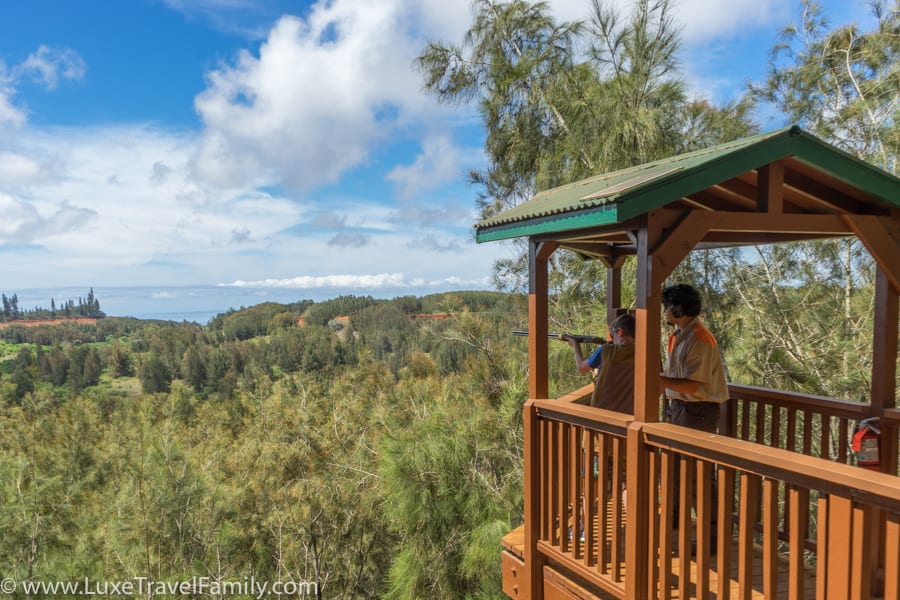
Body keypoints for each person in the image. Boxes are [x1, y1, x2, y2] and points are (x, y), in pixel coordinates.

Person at [659, 283, 728, 554]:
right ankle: (677, 528)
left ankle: (712, 539)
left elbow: (691, 386)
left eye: (667, 306)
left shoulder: (699, 337)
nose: (664, 311)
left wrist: (654, 378)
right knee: (675, 472)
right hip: (680, 409)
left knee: (697, 477)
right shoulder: (679, 335)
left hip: (698, 411)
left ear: (678, 309)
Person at [562, 312, 636, 414]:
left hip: (603, 412)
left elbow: (581, 368)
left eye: (612, 334)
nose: (611, 339)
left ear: (620, 332)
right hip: (630, 414)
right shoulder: (644, 353)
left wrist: (575, 345)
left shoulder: (607, 351)